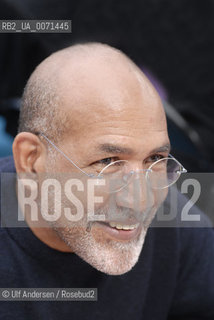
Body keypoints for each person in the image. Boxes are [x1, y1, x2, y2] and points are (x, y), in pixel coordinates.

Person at [0, 43, 213, 319]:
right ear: (31, 160)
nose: (140, 200)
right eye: (108, 162)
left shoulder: (175, 226)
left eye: (155, 159)